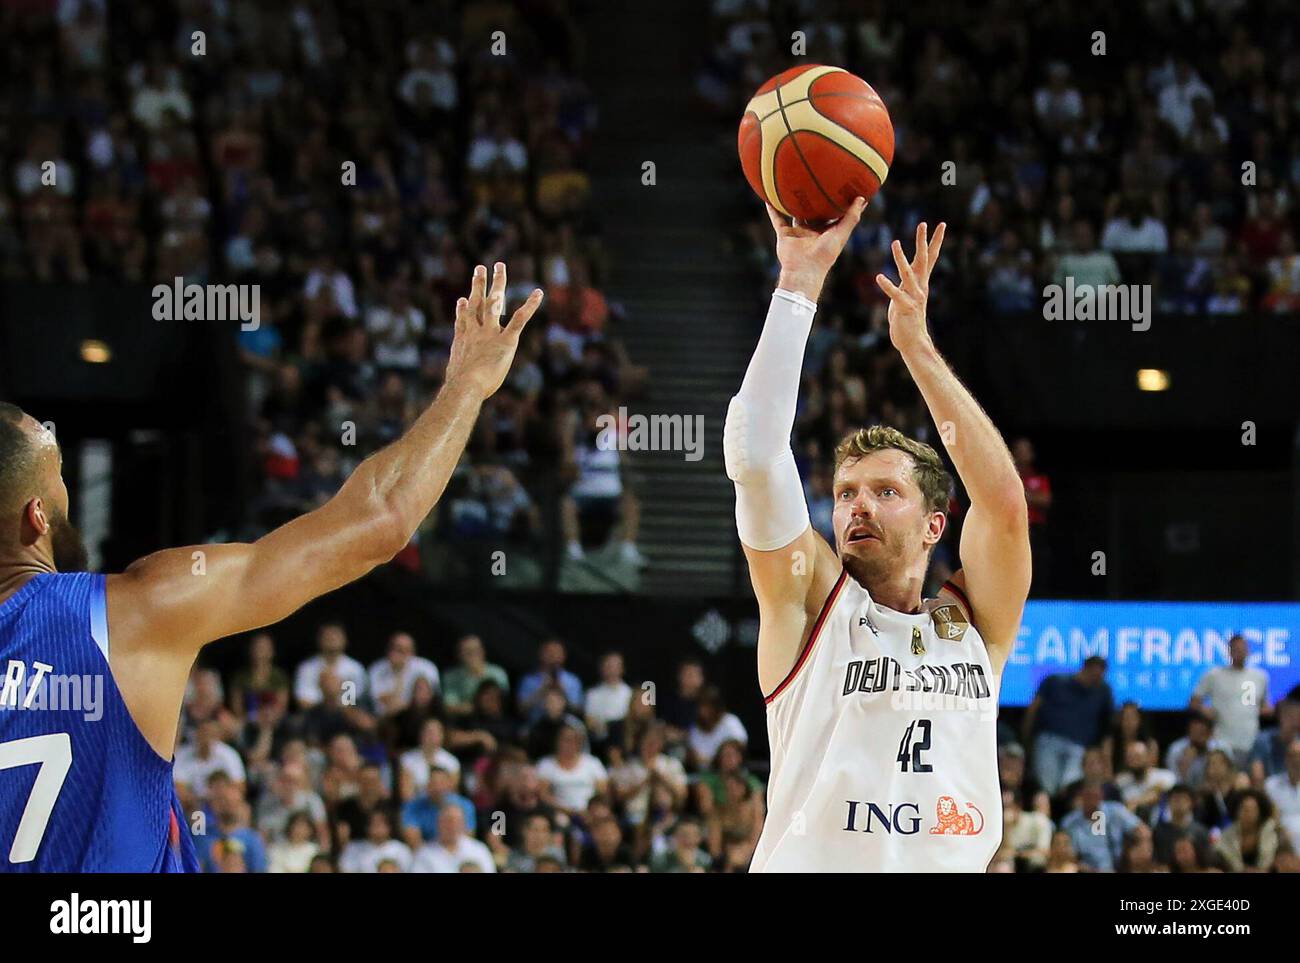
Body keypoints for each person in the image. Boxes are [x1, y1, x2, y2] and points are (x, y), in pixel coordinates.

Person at [0, 264, 542, 871]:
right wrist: (467, 385)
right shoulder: (138, 610)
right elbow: (382, 520)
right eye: (62, 483)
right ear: (38, 518)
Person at [734, 206, 1031, 872]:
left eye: (885, 492)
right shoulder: (814, 602)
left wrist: (918, 351)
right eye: (845, 493)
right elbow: (754, 455)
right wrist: (798, 283)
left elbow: (1005, 505)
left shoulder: (973, 622)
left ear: (935, 525)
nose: (858, 505)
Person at [1023, 657, 1114, 797]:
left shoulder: (1102, 691)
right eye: (1094, 674)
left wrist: (1107, 765)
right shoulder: (1055, 681)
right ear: (1085, 669)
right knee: (1047, 787)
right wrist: (1026, 738)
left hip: (1079, 747)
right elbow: (1034, 708)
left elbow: (1107, 730)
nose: (1096, 679)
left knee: (1071, 786)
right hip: (1049, 740)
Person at [1191, 634, 1272, 766]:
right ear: (1229, 651)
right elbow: (1194, 702)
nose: (1239, 652)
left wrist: (1274, 710)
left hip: (1250, 741)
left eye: (1242, 649)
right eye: (1236, 649)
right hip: (1222, 740)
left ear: (1248, 651)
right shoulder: (1214, 675)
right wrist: (1206, 712)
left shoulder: (1259, 677)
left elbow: (1264, 706)